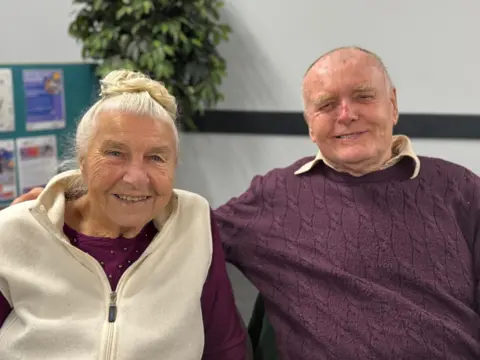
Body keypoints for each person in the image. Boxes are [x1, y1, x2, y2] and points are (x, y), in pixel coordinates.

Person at [13, 46, 480, 359]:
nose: (346, 115)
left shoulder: (460, 189)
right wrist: (66, 204)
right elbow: (157, 214)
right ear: (309, 122)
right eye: (326, 104)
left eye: (363, 97)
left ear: (393, 105)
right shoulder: (276, 198)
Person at [0, 70, 248, 359]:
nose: (135, 178)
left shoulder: (194, 222)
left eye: (156, 157)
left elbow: (225, 347)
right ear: (82, 161)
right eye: (115, 153)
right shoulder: (15, 233)